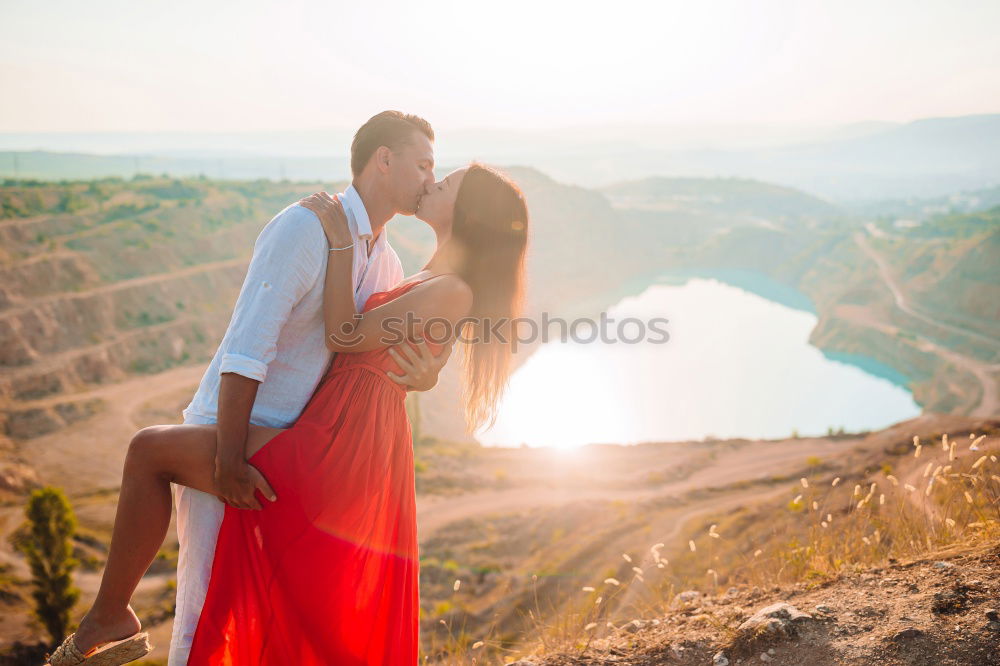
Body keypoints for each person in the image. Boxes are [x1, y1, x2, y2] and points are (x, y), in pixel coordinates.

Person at [45, 161, 529, 665]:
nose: (432, 183)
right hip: (339, 433)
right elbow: (401, 346)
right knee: (299, 604)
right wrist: (425, 366)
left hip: (341, 446)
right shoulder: (426, 276)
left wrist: (339, 243)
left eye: (445, 183)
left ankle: (110, 614)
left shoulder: (451, 288)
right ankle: (112, 612)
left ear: (468, 213)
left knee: (149, 451)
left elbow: (344, 335)